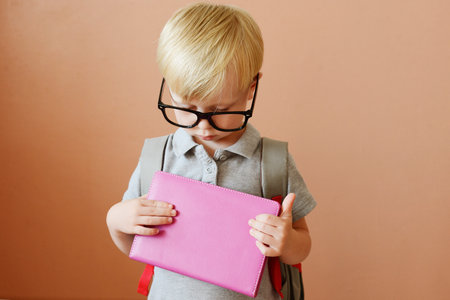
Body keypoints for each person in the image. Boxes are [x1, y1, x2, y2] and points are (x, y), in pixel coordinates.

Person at [106, 3, 316, 299]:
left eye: (219, 109)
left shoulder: (271, 163)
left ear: (251, 89)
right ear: (169, 88)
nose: (203, 125)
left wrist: (287, 242)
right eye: (188, 108)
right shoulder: (159, 157)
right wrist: (115, 221)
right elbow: (139, 247)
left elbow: (301, 246)